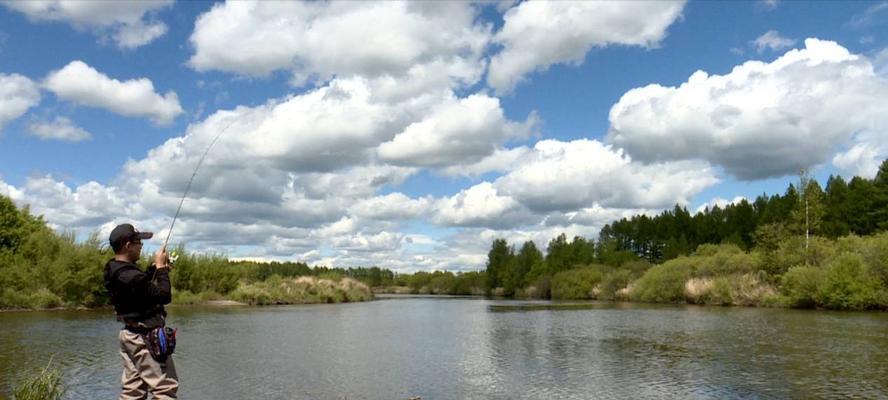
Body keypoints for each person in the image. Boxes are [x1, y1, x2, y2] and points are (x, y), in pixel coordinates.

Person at [103, 223, 178, 399]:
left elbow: (140, 288)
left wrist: (155, 269)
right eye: (138, 242)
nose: (141, 246)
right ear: (127, 245)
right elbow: (164, 295)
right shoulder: (129, 276)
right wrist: (160, 269)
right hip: (145, 338)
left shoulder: (115, 269)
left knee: (133, 391)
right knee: (165, 389)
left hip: (130, 335)